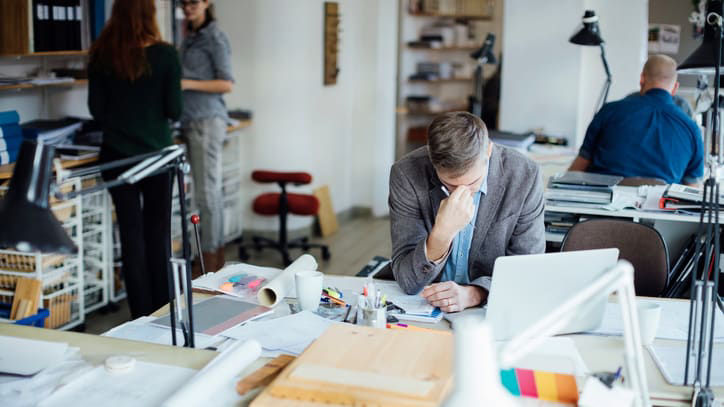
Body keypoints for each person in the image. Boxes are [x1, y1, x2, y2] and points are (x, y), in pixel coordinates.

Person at [388, 112, 545, 313]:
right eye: (449, 185)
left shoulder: (524, 175)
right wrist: (441, 236)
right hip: (426, 306)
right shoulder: (407, 174)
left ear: (488, 151)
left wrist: (475, 293)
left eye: (472, 183)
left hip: (494, 306)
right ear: (432, 160)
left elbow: (528, 270)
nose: (461, 194)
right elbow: (407, 280)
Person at [88, 0, 182, 318]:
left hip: (116, 157)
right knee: (158, 234)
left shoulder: (101, 54)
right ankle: (164, 311)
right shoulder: (166, 55)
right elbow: (175, 110)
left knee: (130, 236)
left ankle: (139, 315)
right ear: (149, 14)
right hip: (156, 158)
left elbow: (96, 111)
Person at [569, 54, 704, 186]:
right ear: (675, 87)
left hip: (599, 203)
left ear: (642, 79)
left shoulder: (608, 111)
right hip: (657, 206)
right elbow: (691, 187)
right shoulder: (691, 128)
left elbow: (579, 166)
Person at [179, 0, 234, 273]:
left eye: (193, 2)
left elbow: (226, 83)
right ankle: (208, 257)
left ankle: (211, 262)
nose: (188, 7)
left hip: (206, 122)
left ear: (206, 3)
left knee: (207, 193)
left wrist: (186, 83)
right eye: (183, 2)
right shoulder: (189, 37)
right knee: (202, 193)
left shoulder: (214, 37)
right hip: (189, 121)